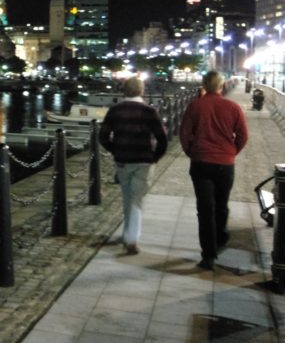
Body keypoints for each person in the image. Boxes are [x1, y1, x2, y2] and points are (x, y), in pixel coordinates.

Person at [179, 70, 249, 269]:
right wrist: (231, 152)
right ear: (222, 86)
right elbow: (243, 135)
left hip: (201, 162)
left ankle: (208, 255)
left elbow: (184, 134)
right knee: (221, 204)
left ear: (204, 85)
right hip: (225, 163)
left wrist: (192, 152)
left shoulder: (195, 106)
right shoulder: (232, 107)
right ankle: (220, 238)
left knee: (204, 208)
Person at [99, 76, 168, 255]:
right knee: (136, 198)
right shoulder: (149, 111)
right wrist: (155, 157)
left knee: (127, 196)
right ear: (141, 90)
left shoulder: (115, 111)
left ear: (124, 90)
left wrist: (115, 150)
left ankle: (127, 233)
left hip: (123, 160)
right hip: (143, 160)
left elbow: (103, 137)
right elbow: (162, 138)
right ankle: (132, 239)